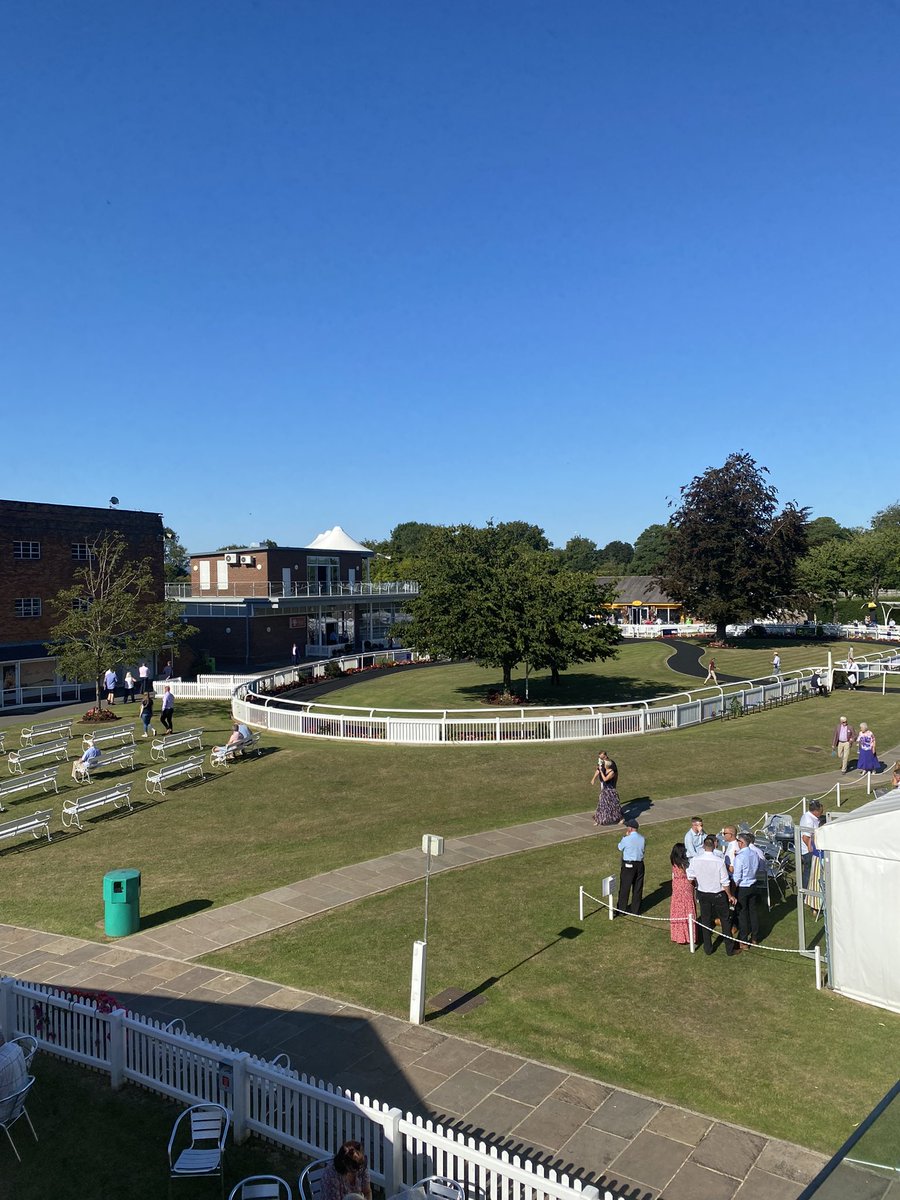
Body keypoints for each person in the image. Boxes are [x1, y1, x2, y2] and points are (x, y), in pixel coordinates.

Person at [686, 835, 741, 955]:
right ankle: (729, 949)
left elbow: (690, 876)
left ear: (703, 846)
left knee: (706, 920)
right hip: (718, 895)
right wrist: (730, 895)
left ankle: (708, 948)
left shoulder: (695, 860)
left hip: (703, 894)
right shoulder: (719, 861)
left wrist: (698, 883)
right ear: (714, 846)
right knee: (725, 921)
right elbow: (725, 882)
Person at [733, 831, 761, 946]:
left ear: (742, 843)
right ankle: (755, 937)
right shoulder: (755, 854)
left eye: (738, 841)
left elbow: (737, 876)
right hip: (753, 885)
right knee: (753, 912)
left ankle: (743, 941)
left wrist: (733, 890)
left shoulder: (740, 857)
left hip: (743, 888)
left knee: (742, 914)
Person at [616, 818, 645, 915]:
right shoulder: (642, 838)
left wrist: (625, 836)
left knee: (625, 887)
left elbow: (620, 847)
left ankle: (621, 909)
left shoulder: (626, 839)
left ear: (631, 828)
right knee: (637, 887)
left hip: (629, 865)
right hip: (640, 864)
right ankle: (636, 909)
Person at [669, 843, 696, 945]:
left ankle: (677, 934)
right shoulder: (684, 864)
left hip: (676, 886)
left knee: (677, 907)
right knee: (686, 908)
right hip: (685, 886)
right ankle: (687, 935)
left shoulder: (674, 862)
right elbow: (690, 878)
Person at [591, 750, 623, 826]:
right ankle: (598, 819)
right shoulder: (602, 764)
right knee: (601, 804)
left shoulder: (611, 769)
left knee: (613, 805)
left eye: (602, 757)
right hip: (604, 788)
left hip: (610, 790)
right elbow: (598, 770)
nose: (601, 760)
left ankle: (620, 818)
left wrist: (614, 785)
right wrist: (593, 778)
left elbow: (606, 778)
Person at [799, 800, 823, 889]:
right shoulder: (809, 820)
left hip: (809, 849)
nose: (822, 812)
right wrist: (811, 848)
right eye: (821, 810)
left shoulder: (808, 816)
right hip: (808, 852)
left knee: (809, 871)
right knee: (808, 872)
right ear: (816, 811)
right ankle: (805, 891)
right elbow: (805, 837)